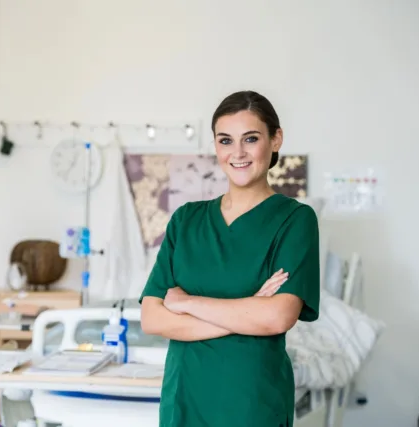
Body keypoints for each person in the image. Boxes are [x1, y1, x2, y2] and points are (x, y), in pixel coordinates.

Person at [138, 90, 321, 427]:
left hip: (252, 400)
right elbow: (152, 318)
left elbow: (277, 318)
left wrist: (187, 302)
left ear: (275, 139)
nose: (237, 153)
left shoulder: (294, 220)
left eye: (250, 139)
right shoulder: (186, 221)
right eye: (225, 141)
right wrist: (248, 308)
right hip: (185, 398)